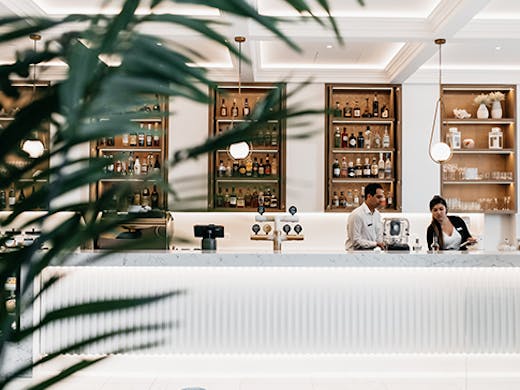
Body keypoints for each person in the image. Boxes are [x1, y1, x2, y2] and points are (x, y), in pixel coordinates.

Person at [345, 183, 386, 250]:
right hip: (355, 255)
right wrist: (376, 244)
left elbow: (378, 237)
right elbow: (356, 241)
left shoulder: (377, 214)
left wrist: (382, 243)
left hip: (371, 253)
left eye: (382, 197)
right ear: (369, 196)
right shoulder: (357, 215)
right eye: (378, 197)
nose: (381, 200)